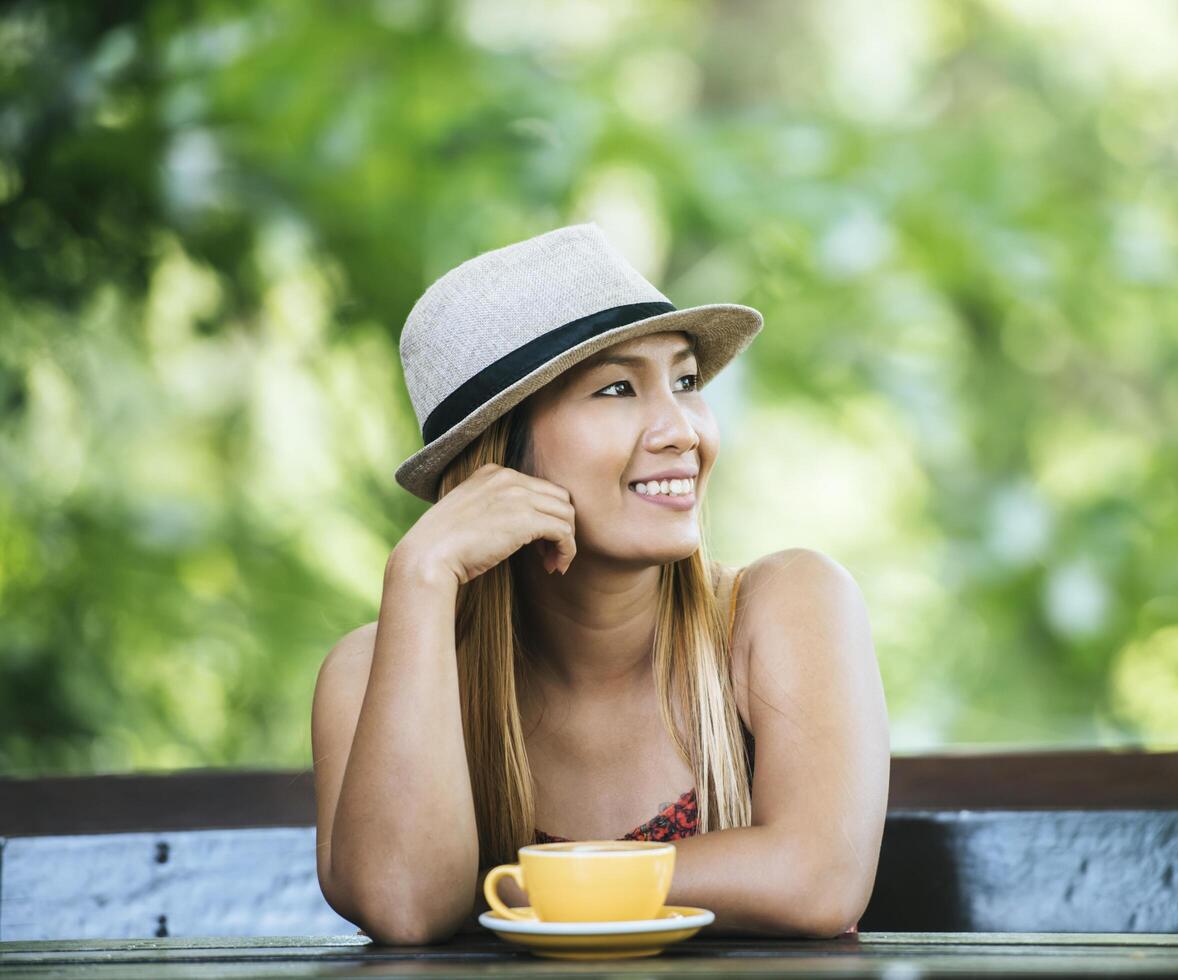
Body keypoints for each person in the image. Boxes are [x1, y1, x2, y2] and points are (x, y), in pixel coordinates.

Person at [310, 223, 889, 945]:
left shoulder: (784, 605)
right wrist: (421, 576)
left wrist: (526, 881)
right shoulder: (370, 674)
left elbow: (815, 879)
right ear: (500, 457)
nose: (681, 429)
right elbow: (405, 906)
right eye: (617, 389)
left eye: (684, 382)